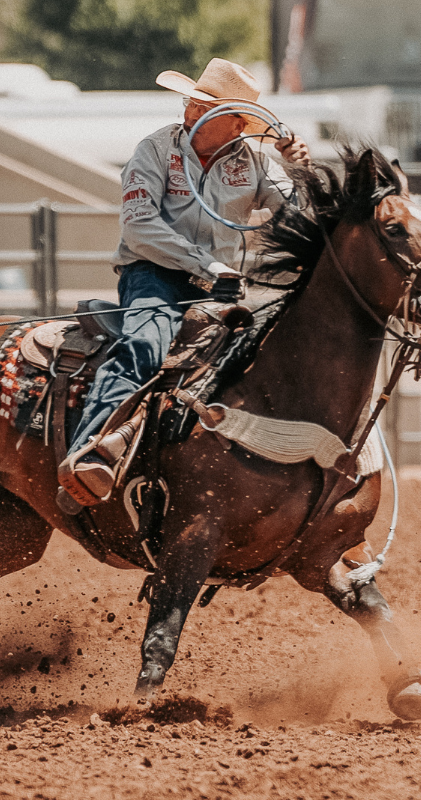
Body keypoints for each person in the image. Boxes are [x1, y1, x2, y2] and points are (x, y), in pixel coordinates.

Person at [58, 58, 311, 503]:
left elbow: (299, 221)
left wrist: (298, 171)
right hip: (155, 277)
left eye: (204, 107)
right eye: (191, 103)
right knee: (145, 345)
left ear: (234, 123)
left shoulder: (254, 164)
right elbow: (139, 226)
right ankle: (89, 455)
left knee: (263, 364)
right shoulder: (155, 150)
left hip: (223, 287)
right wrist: (208, 266)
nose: (191, 112)